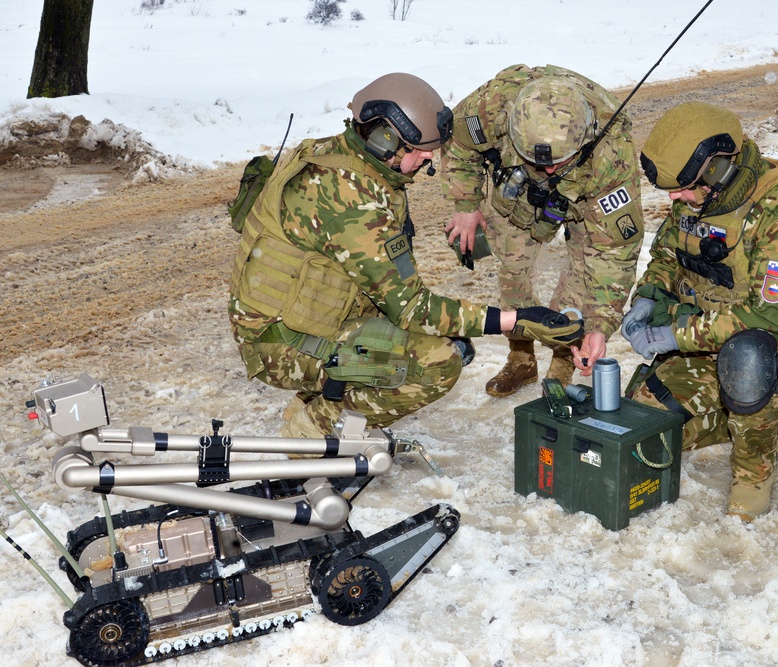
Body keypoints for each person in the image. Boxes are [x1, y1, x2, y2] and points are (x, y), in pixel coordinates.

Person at [227, 72, 583, 438]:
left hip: (303, 318)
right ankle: (315, 429)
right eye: (420, 151)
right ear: (385, 139)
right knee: (437, 361)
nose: (428, 160)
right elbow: (413, 307)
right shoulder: (352, 201)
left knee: (442, 337)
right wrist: (518, 320)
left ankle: (312, 402)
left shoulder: (343, 159)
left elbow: (391, 287)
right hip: (279, 342)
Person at [621, 101, 778, 521]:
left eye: (683, 186)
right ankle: (754, 419)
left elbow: (767, 317)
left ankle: (754, 469)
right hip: (708, 342)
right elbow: (667, 255)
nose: (675, 197)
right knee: (647, 428)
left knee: (748, 362)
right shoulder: (697, 198)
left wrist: (675, 335)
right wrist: (649, 294)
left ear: (717, 168)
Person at [440, 64, 644, 397]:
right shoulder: (492, 107)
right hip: (518, 194)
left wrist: (598, 327)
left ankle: (564, 361)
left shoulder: (611, 157)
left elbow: (613, 254)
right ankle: (521, 358)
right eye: (538, 160)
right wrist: (466, 206)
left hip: (583, 198)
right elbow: (459, 146)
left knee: (581, 276)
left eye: (557, 162)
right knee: (512, 273)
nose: (548, 169)